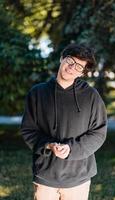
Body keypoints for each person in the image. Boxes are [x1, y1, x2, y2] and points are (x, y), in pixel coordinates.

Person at [20, 43, 107, 200]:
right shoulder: (37, 93)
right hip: (46, 176)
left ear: (82, 73)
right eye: (70, 61)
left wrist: (71, 149)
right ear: (61, 59)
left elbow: (98, 133)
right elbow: (28, 130)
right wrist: (48, 145)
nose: (72, 67)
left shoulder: (92, 96)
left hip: (79, 178)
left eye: (79, 66)